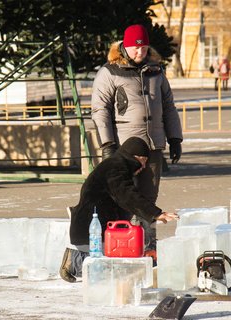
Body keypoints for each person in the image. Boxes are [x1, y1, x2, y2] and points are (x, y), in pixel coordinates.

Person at [91, 24, 183, 254]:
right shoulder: (110, 72)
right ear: (124, 46)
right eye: (134, 48)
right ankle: (119, 244)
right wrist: (108, 145)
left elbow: (169, 106)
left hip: (152, 146)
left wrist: (174, 138)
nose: (139, 52)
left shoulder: (156, 72)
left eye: (143, 48)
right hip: (125, 148)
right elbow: (100, 109)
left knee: (149, 198)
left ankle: (148, 247)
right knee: (123, 196)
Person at [59, 137, 179, 283]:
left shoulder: (114, 164)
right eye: (144, 161)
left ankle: (75, 259)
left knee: (111, 267)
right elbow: (127, 195)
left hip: (94, 225)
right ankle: (73, 261)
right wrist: (156, 214)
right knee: (108, 271)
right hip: (92, 227)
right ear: (137, 157)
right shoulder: (116, 168)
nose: (144, 166)